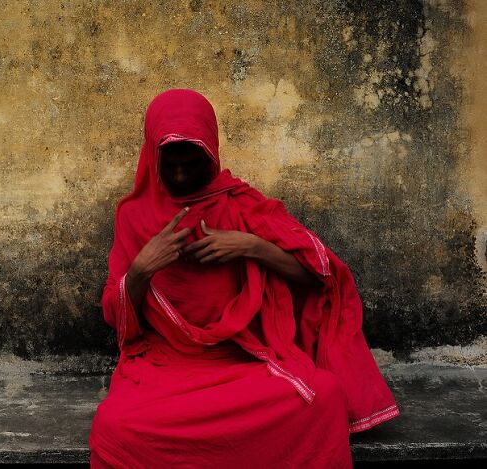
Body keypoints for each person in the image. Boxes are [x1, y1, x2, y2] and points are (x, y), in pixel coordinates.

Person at [88, 88, 399, 468]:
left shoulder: (240, 203)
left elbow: (319, 276)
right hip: (166, 370)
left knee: (324, 395)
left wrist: (251, 246)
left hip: (240, 363)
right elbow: (112, 314)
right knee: (113, 427)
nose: (182, 175)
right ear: (153, 157)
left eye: (193, 163)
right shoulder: (133, 216)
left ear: (212, 152)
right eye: (171, 165)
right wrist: (142, 268)